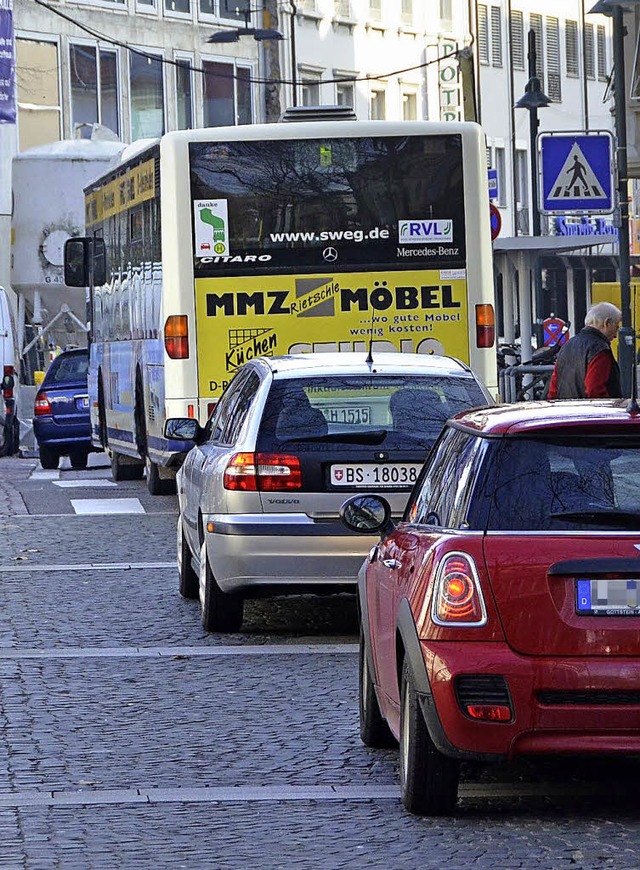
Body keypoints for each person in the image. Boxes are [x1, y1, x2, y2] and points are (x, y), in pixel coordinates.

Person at [547, 302, 622, 399]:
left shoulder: (567, 346)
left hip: (564, 410)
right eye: (616, 327)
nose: (616, 335)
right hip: (590, 412)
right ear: (606, 323)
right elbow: (594, 389)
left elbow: (553, 388)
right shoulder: (600, 349)